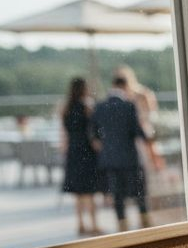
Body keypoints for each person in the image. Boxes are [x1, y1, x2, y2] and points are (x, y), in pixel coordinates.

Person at [92, 73, 154, 230]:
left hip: (109, 158)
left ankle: (122, 225)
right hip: (129, 157)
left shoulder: (99, 107)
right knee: (139, 192)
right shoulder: (129, 106)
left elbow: (94, 133)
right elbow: (137, 131)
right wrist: (149, 136)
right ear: (125, 86)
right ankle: (145, 223)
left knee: (117, 194)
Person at [58, 76, 102, 236]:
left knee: (77, 192)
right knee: (89, 191)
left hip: (72, 151)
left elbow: (64, 132)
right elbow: (93, 130)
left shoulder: (65, 108)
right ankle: (94, 224)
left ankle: (80, 224)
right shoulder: (87, 107)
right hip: (86, 151)